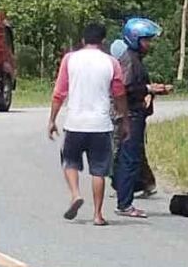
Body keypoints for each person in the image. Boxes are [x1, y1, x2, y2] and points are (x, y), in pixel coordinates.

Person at [48, 23, 130, 226]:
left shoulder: (70, 59)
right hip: (101, 125)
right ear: (103, 42)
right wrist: (124, 119)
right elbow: (119, 94)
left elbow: (59, 92)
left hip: (75, 122)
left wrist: (52, 120)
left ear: (83, 40)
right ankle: (98, 215)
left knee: (69, 162)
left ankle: (75, 194)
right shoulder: (111, 62)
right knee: (99, 171)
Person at [113, 18, 171, 218]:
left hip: (136, 113)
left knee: (128, 156)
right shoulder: (129, 59)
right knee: (130, 157)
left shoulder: (135, 58)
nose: (149, 44)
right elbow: (125, 88)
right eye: (146, 40)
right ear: (135, 39)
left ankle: (124, 196)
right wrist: (149, 88)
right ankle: (125, 203)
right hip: (132, 114)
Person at [109, 38, 157, 199]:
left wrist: (149, 91)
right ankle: (134, 185)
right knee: (131, 151)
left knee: (123, 152)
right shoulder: (128, 64)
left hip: (125, 115)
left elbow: (127, 89)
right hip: (124, 114)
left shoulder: (130, 64)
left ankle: (124, 188)